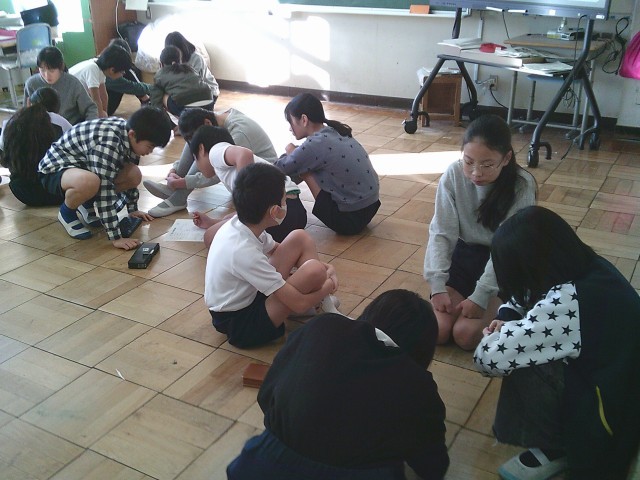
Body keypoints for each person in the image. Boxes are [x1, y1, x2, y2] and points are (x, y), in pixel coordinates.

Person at [474, 206, 640, 480]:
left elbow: (488, 359)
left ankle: (558, 445)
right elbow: (526, 294)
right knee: (528, 343)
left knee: (523, 360)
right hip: (621, 387)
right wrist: (507, 316)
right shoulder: (588, 266)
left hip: (607, 418)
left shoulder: (566, 302)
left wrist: (496, 334)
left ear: (528, 268)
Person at [227, 289, 449, 480]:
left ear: (370, 314)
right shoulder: (418, 384)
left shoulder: (321, 326)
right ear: (422, 349)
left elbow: (267, 394)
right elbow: (433, 466)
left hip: (260, 466)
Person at [423, 114, 537, 351]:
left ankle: (516, 307)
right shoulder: (453, 174)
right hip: (466, 256)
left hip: (503, 261)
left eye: (487, 165)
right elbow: (441, 232)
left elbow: (510, 249)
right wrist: (437, 285)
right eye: (468, 161)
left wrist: (481, 295)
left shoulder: (522, 185)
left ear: (506, 159)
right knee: (438, 330)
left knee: (465, 335)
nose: (476, 173)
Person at [204, 161, 337, 348]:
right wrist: (327, 285)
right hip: (240, 323)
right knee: (313, 271)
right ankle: (318, 298)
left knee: (299, 237)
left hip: (249, 296)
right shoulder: (242, 251)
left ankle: (318, 300)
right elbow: (298, 304)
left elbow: (280, 250)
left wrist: (325, 269)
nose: (286, 204)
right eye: (285, 200)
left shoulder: (244, 225)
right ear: (275, 211)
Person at [37, 106, 173, 250]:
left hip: (83, 168)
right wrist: (116, 237)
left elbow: (128, 170)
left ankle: (86, 203)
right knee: (91, 182)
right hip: (54, 170)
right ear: (133, 134)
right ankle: (67, 212)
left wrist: (132, 210)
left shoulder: (129, 135)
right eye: (150, 146)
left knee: (134, 175)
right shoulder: (109, 144)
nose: (150, 152)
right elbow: (105, 192)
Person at [274, 92, 380, 235]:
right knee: (304, 162)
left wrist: (290, 149)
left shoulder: (315, 144)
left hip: (349, 220)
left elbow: (280, 169)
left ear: (304, 119)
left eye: (291, 122)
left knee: (304, 169)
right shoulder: (334, 131)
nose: (290, 128)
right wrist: (294, 155)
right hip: (371, 207)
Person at [144, 107, 277, 217]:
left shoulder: (238, 134)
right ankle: (173, 185)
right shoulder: (217, 120)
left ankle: (179, 197)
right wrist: (175, 169)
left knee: (202, 147)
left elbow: (214, 173)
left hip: (262, 182)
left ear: (207, 123)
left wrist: (183, 182)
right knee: (196, 143)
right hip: (245, 175)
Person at [190, 126, 306, 245]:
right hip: (295, 213)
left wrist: (245, 200)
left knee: (210, 236)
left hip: (278, 213)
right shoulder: (224, 162)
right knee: (231, 218)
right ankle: (216, 223)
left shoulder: (214, 151)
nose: (197, 165)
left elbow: (244, 153)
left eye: (195, 158)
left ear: (201, 149)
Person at [0, 88, 72, 206]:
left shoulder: (11, 122)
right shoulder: (61, 122)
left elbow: (4, 156)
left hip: (22, 191)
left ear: (29, 102)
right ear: (57, 107)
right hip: (58, 191)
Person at [23, 46, 98, 125]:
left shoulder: (73, 83)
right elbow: (25, 113)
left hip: (71, 126)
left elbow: (90, 108)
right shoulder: (31, 84)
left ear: (61, 67)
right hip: (43, 127)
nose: (47, 75)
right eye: (42, 70)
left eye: (52, 71)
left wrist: (88, 126)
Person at [69, 44, 133, 118]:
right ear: (112, 70)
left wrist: (104, 113)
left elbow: (103, 95)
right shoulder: (93, 68)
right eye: (122, 72)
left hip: (75, 99)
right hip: (67, 102)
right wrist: (101, 117)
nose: (122, 75)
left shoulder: (101, 68)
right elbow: (95, 99)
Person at [149, 46, 215, 118]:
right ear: (180, 60)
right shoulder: (189, 68)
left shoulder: (160, 74)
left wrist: (158, 114)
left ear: (161, 64)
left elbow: (156, 100)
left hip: (185, 108)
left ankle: (178, 120)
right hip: (209, 102)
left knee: (163, 94)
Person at [164, 31, 219, 102]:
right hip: (192, 92)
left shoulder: (196, 58)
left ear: (181, 47)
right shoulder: (173, 60)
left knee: (169, 98)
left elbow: (193, 83)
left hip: (209, 93)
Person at [104, 38, 151, 116]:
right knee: (128, 71)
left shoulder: (100, 62)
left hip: (94, 109)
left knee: (129, 70)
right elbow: (134, 87)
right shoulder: (109, 73)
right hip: (100, 111)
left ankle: (145, 98)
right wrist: (157, 87)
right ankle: (145, 99)